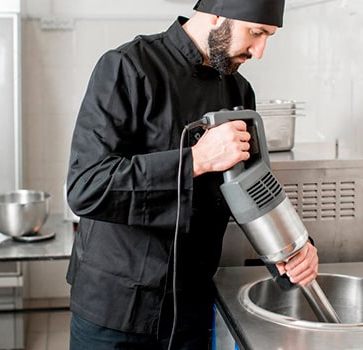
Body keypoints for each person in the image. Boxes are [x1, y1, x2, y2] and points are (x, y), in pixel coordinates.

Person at [65, 0, 321, 348]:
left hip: (190, 308)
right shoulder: (128, 67)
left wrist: (292, 247)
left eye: (268, 37)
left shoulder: (238, 92)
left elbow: (251, 191)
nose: (259, 51)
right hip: (115, 309)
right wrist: (195, 160)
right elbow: (87, 187)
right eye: (256, 33)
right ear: (217, 14)